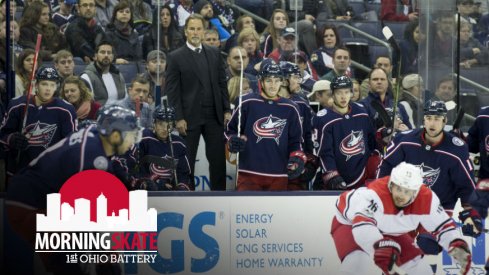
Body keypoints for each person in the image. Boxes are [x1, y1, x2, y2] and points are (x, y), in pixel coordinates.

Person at [5, 105, 140, 274]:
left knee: (98, 262)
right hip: (29, 207)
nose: (132, 142)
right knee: (83, 263)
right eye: (130, 136)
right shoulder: (92, 155)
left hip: (33, 202)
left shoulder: (96, 137)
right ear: (115, 135)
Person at [332, 162, 472, 275]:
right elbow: (362, 228)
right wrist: (379, 247)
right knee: (357, 264)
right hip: (349, 224)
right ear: (391, 185)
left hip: (390, 230)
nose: (401, 195)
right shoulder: (374, 195)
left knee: (421, 269)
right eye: (398, 188)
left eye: (407, 191)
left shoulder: (427, 199)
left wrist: (455, 243)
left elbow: (443, 227)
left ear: (416, 192)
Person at [165, 14, 230, 190]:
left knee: (218, 162)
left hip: (214, 116)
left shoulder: (215, 53)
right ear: (186, 31)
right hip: (188, 117)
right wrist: (178, 117)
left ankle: (219, 198)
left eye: (198, 28)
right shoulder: (175, 57)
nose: (195, 32)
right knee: (187, 163)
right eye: (192, 28)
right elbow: (172, 91)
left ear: (203, 31)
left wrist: (226, 109)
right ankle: (187, 197)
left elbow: (222, 84)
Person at [377, 100, 476, 214]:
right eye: (429, 118)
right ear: (424, 119)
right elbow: (386, 166)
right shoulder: (404, 140)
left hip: (440, 210)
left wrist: (471, 213)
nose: (432, 123)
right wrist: (380, 194)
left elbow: (466, 184)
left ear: (445, 121)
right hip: (405, 206)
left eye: (437, 119)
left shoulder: (457, 149)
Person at [225, 62, 305, 191]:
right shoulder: (246, 102)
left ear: (282, 82)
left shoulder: (291, 107)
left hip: (279, 174)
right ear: (261, 81)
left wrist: (297, 157)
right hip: (248, 173)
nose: (273, 85)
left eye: (276, 81)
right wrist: (232, 140)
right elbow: (229, 130)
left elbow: (296, 141)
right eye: (269, 81)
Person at [0, 67, 77, 176]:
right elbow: (2, 135)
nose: (48, 89)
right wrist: (11, 139)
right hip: (20, 171)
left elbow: (71, 144)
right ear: (36, 85)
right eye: (44, 84)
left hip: (51, 173)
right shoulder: (17, 105)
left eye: (52, 85)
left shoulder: (66, 110)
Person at [312, 76, 376, 190]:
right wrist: (331, 174)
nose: (343, 96)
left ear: (351, 93)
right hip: (338, 176)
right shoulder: (323, 119)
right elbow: (324, 153)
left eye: (346, 92)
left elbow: (372, 141)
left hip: (362, 175)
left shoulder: (362, 112)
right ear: (332, 94)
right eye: (339, 93)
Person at [121, 105, 192, 191]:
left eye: (169, 125)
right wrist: (154, 181)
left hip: (170, 192)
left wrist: (181, 186)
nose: (165, 129)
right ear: (154, 123)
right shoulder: (143, 138)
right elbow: (133, 168)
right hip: (146, 189)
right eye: (161, 124)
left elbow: (183, 173)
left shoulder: (179, 144)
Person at [80, 40, 127, 106]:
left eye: (109, 53)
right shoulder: (86, 77)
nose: (106, 55)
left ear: (113, 57)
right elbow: (88, 104)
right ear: (95, 56)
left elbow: (125, 99)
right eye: (102, 52)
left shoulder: (118, 75)